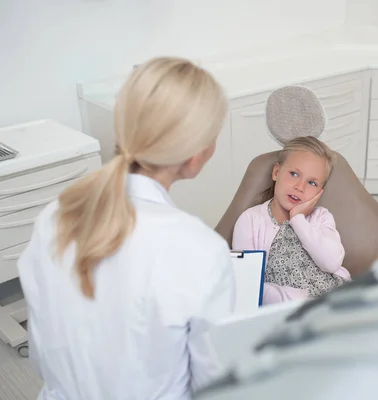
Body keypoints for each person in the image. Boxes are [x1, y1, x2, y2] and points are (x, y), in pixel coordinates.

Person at [17, 57, 234, 400]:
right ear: (196, 155)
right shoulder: (199, 250)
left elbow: (42, 355)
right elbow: (214, 383)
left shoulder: (54, 217)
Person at [232, 136, 351, 305]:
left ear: (319, 192)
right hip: (290, 310)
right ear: (276, 172)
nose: (300, 187)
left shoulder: (321, 217)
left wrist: (298, 219)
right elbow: (248, 286)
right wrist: (304, 300)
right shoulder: (250, 220)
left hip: (337, 300)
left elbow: (331, 264)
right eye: (294, 174)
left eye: (312, 182)